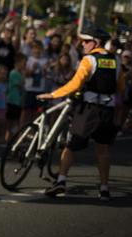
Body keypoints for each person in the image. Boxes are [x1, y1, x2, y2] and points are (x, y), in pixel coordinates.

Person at [38, 27, 118, 201]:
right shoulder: (115, 60)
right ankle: (104, 189)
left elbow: (75, 84)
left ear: (96, 43)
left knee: (71, 146)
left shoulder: (89, 59)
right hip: (108, 110)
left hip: (89, 110)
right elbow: (120, 87)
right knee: (102, 151)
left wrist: (53, 94)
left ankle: (61, 181)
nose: (83, 44)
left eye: (86, 41)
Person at [6, 53, 26, 141]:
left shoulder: (19, 73)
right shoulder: (13, 73)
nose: (24, 65)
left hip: (18, 100)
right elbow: (20, 84)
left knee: (16, 119)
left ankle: (14, 137)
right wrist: (24, 76)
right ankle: (7, 136)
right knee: (10, 119)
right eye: (23, 63)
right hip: (12, 99)